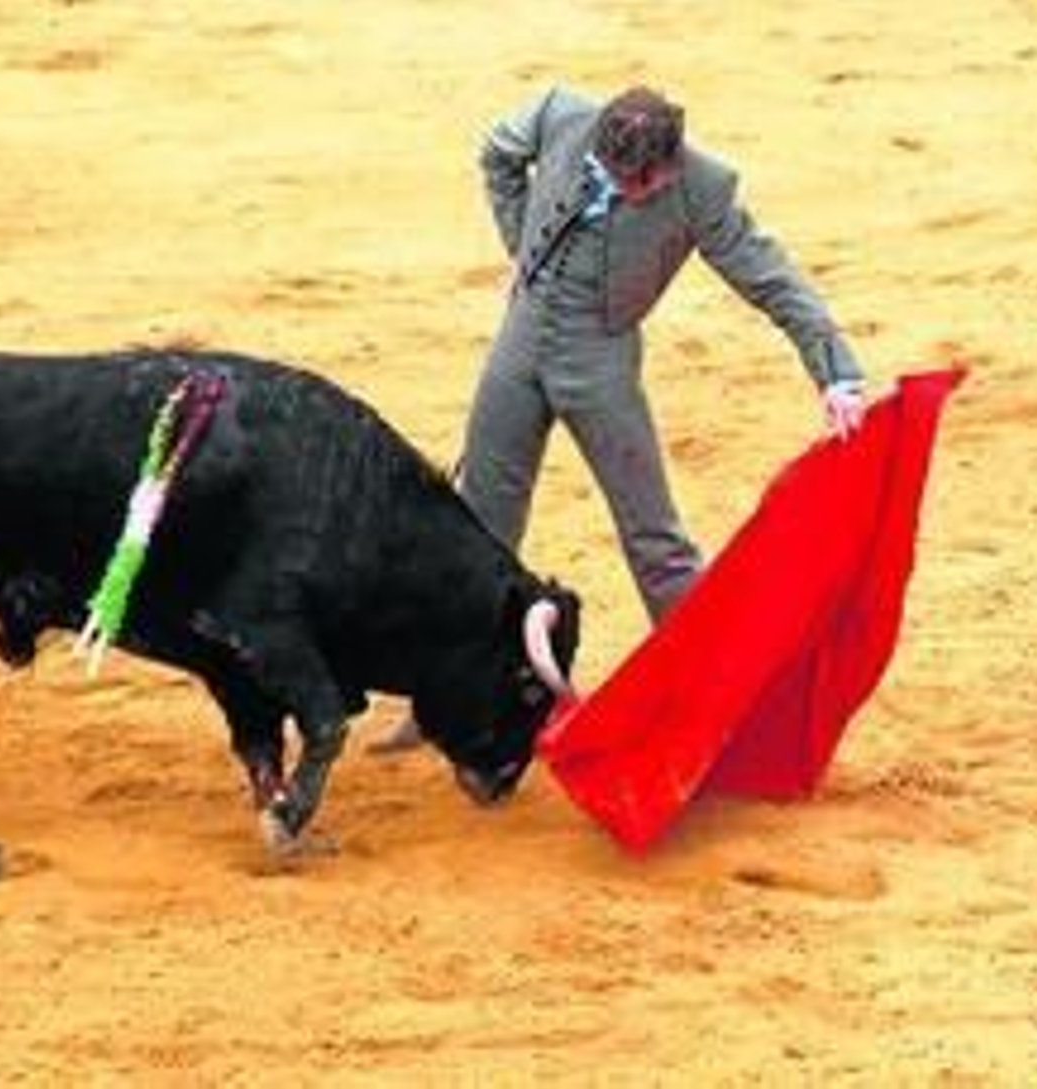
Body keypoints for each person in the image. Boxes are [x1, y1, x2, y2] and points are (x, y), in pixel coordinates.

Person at [370, 84, 867, 754]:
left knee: (653, 535)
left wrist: (834, 370)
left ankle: (712, 695)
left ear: (671, 159)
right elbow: (497, 153)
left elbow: (772, 278)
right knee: (478, 523)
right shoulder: (559, 116)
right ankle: (446, 695)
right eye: (618, 175)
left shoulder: (702, 187)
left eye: (646, 179)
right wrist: (524, 250)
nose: (633, 189)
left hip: (599, 362)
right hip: (519, 345)